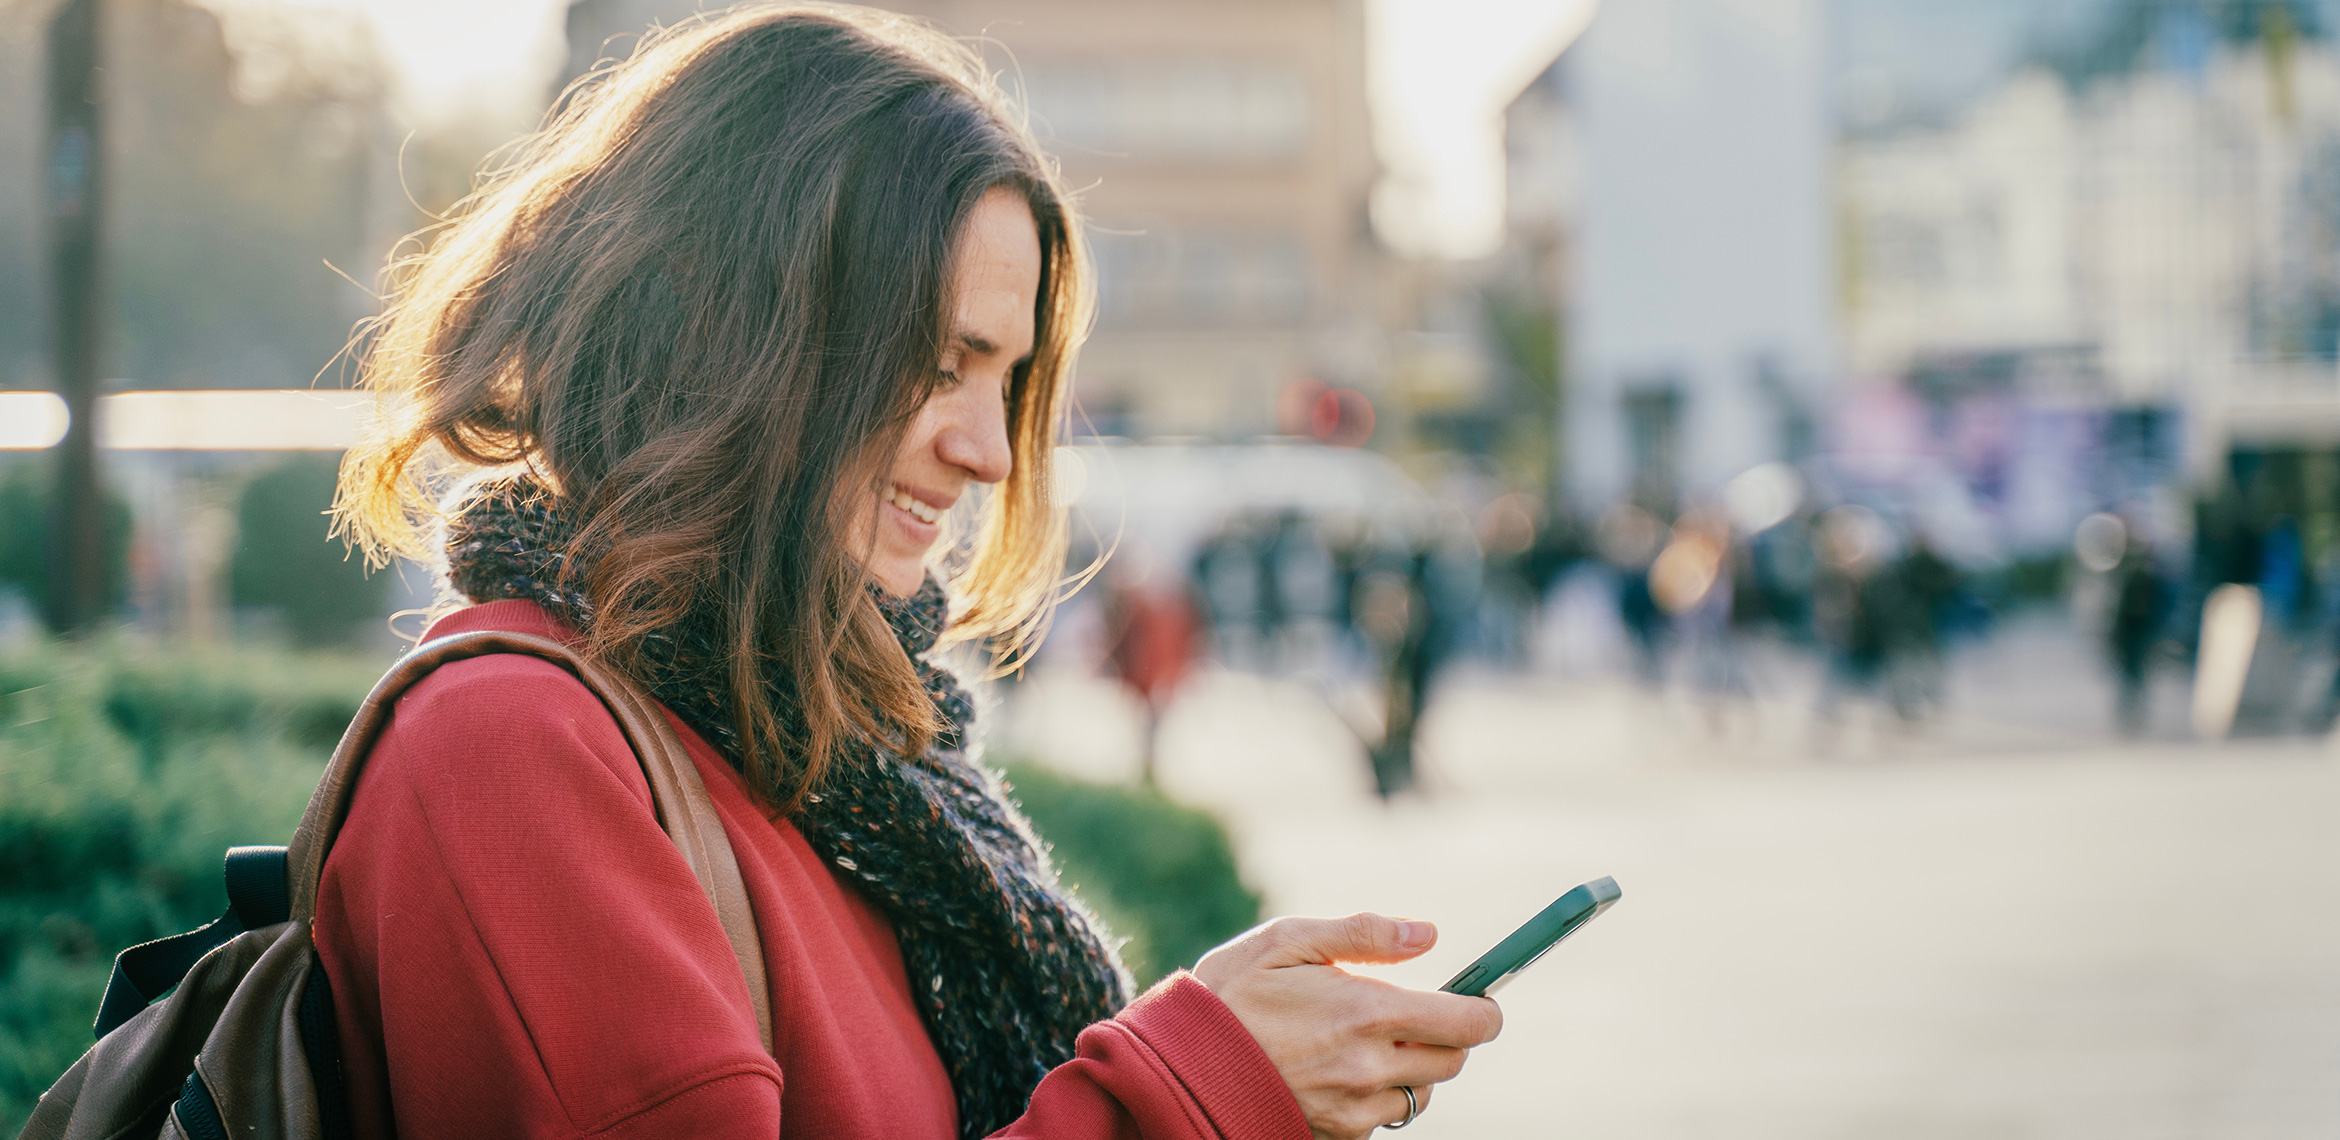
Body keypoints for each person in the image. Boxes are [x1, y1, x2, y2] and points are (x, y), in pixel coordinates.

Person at [323, 9, 1498, 1140]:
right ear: (727, 327)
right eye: (942, 363)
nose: (991, 451)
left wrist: (1230, 1072)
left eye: (1008, 382)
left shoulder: (846, 756)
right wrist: (1191, 1091)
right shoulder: (512, 745)